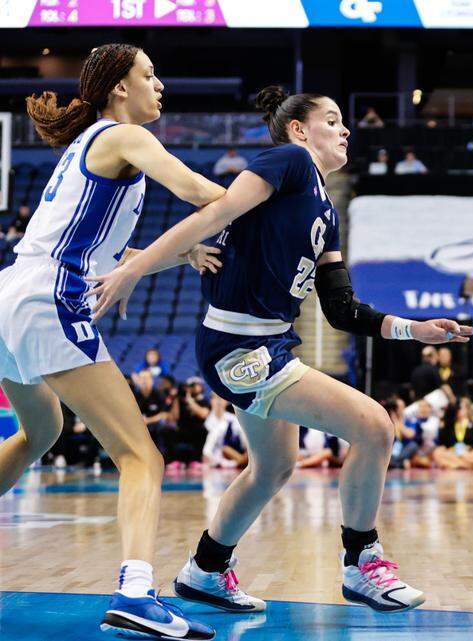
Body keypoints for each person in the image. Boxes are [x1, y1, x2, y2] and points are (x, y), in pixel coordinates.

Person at [89, 85, 473, 615]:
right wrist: (136, 266)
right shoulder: (288, 161)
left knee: (274, 467)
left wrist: (414, 330)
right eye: (333, 119)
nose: (345, 130)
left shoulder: (325, 213)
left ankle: (205, 568)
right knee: (376, 426)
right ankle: (362, 563)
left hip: (266, 342)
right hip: (239, 345)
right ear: (299, 130)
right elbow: (214, 214)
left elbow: (341, 310)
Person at [0, 44, 223, 640]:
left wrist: (183, 253)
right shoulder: (124, 136)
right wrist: (261, 199)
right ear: (119, 88)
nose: (161, 86)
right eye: (150, 75)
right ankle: (136, 593)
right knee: (141, 457)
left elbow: (110, 257)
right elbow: (199, 191)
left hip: (14, 293)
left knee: (41, 432)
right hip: (48, 296)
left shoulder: (95, 145)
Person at [203, 396, 247, 468]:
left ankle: (243, 462)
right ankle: (240, 463)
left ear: (226, 401)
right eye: (215, 398)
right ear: (211, 401)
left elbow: (243, 438)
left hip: (237, 452)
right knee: (226, 449)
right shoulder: (208, 422)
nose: (218, 402)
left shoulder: (232, 418)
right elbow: (208, 447)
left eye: (220, 398)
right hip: (219, 456)